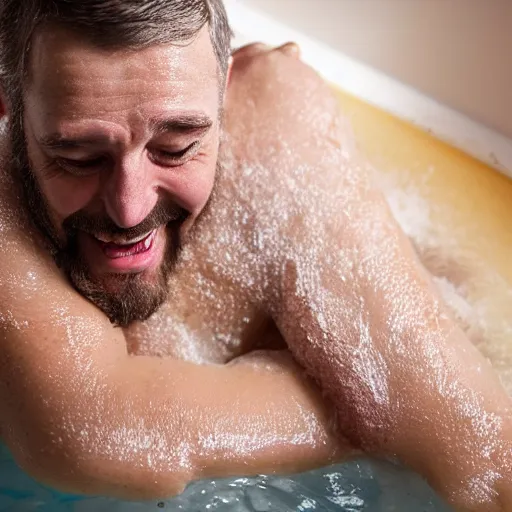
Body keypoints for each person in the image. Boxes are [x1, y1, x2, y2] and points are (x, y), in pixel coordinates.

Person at [0, 1, 510, 510]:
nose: (130, 210)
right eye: (80, 157)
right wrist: (376, 403)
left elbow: (483, 452)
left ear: (223, 92)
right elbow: (89, 433)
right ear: (9, 108)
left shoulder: (275, 136)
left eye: (177, 147)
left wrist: (402, 396)